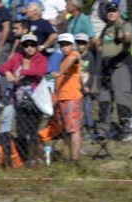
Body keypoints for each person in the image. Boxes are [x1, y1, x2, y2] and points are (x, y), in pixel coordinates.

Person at [0, 33, 48, 164]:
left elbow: (40, 71)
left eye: (32, 45)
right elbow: (2, 68)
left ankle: (32, 158)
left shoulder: (41, 58)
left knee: (32, 131)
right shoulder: (17, 58)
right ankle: (22, 158)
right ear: (22, 47)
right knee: (21, 132)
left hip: (35, 100)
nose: (30, 48)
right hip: (19, 100)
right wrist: (8, 72)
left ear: (36, 46)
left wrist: (22, 72)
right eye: (26, 45)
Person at [96, 0, 132, 141]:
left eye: (114, 10)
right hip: (105, 67)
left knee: (122, 98)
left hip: (120, 66)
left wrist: (124, 38)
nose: (111, 13)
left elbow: (128, 38)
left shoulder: (123, 24)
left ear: (118, 12)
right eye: (109, 11)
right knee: (104, 99)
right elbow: (101, 46)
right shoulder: (106, 28)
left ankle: (126, 129)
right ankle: (103, 130)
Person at [50, 33, 83, 162]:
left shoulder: (74, 55)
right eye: (62, 45)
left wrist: (60, 73)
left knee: (74, 129)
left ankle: (74, 159)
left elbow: (72, 61)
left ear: (72, 45)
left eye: (67, 44)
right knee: (66, 130)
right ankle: (69, 155)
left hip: (72, 98)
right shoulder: (63, 59)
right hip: (62, 98)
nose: (64, 47)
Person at [75, 33, 95, 138]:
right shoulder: (74, 55)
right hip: (76, 86)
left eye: (82, 44)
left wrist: (88, 85)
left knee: (86, 107)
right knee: (77, 108)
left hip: (86, 86)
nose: (80, 46)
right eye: (78, 43)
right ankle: (80, 127)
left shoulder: (90, 57)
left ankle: (89, 127)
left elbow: (92, 73)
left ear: (87, 45)